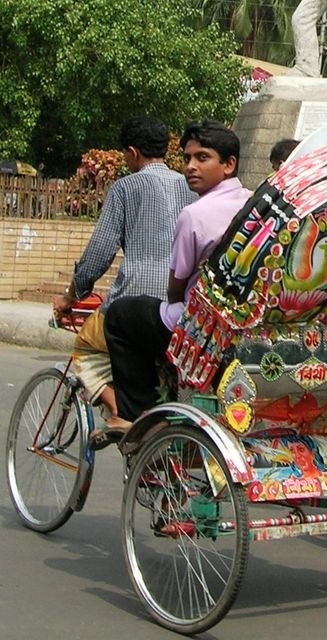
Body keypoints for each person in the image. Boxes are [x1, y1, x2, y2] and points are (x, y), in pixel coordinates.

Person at [103, 121, 249, 426]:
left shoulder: (195, 214)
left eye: (202, 158)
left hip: (200, 325)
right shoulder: (254, 203)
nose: (190, 167)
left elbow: (176, 286)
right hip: (245, 321)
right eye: (186, 159)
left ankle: (135, 417)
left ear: (229, 164)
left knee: (120, 316)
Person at [53, 116, 194, 422]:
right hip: (180, 304)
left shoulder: (125, 187)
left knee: (86, 349)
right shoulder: (192, 186)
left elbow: (99, 254)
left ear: (132, 153)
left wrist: (73, 294)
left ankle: (118, 409)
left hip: (133, 302)